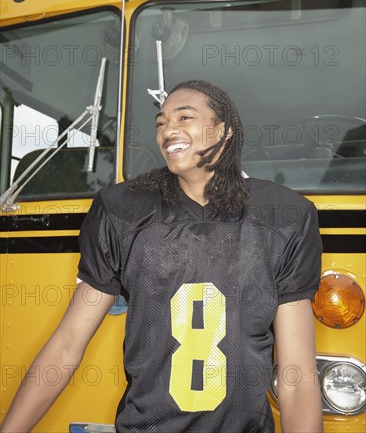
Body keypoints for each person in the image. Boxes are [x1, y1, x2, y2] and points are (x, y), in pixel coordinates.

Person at [1, 80, 323, 433]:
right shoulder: (122, 211)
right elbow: (67, 346)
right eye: (161, 122)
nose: (168, 129)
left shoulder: (284, 216)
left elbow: (296, 374)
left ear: (224, 130)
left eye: (185, 117)